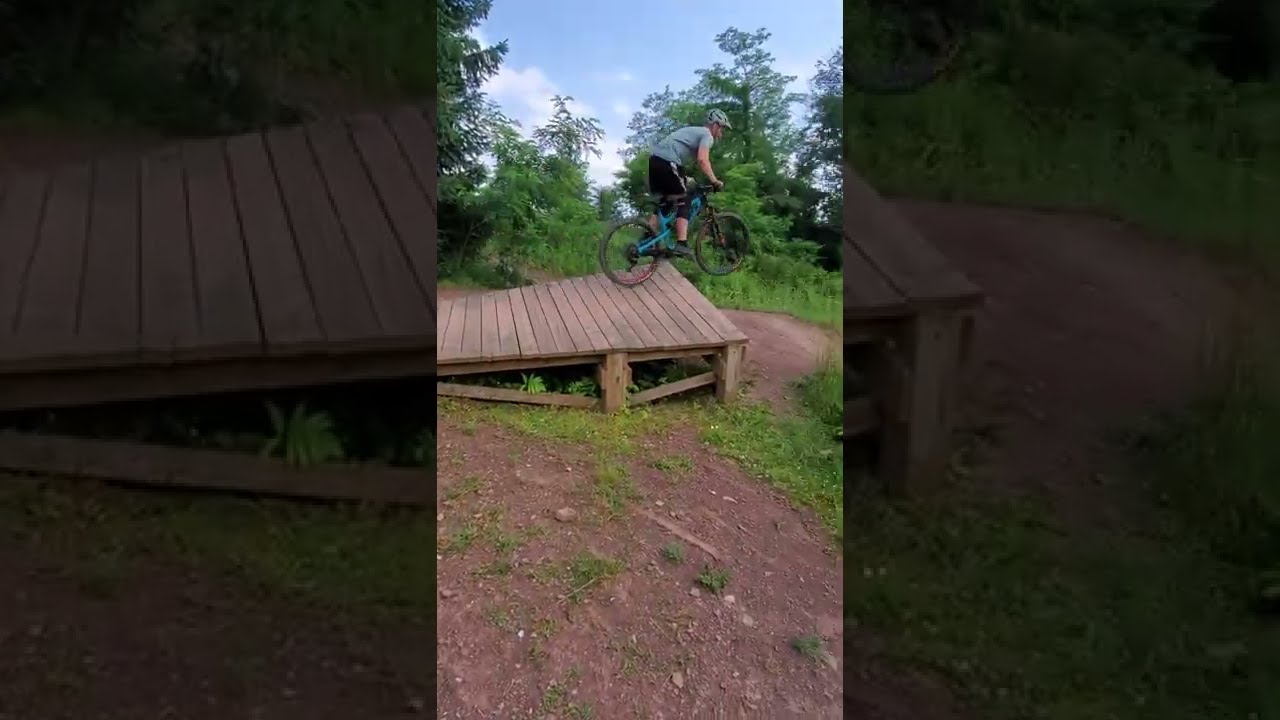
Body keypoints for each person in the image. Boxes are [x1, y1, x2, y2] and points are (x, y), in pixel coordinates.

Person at [646, 109, 731, 257]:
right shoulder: (707, 134)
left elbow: (682, 163)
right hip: (668, 161)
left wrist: (687, 179)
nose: (721, 133)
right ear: (715, 125)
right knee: (684, 198)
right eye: (722, 128)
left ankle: (647, 240)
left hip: (655, 161)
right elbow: (703, 161)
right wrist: (714, 181)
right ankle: (681, 243)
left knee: (666, 203)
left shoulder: (693, 132)